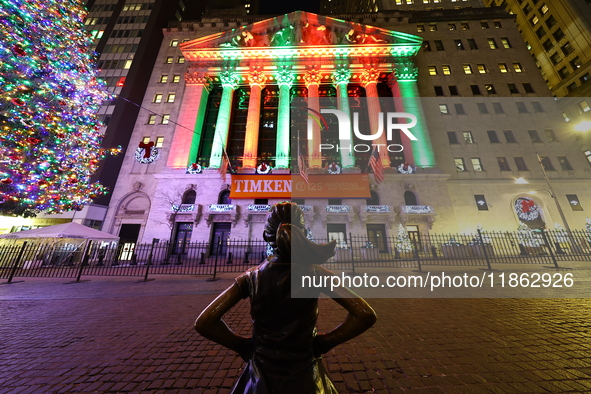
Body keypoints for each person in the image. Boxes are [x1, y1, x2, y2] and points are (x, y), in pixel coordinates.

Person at [195, 202, 377, 393]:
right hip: (305, 371)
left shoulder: (252, 277)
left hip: (260, 373)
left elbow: (205, 322)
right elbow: (365, 314)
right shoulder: (316, 274)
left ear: (266, 236)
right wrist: (323, 344)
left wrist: (243, 347)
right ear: (304, 233)